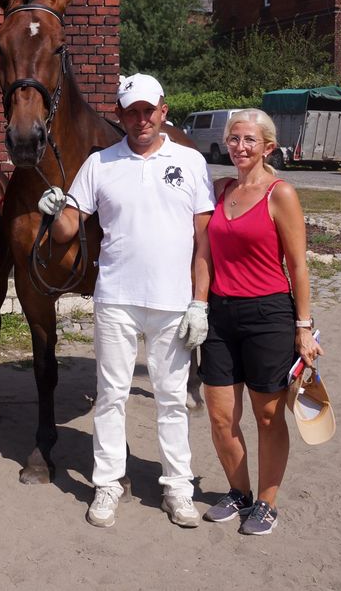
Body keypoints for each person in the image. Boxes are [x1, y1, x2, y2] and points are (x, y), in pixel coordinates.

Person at [38, 73, 214, 530]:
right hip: (116, 297)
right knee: (111, 395)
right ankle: (108, 483)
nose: (141, 120)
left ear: (163, 111)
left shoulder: (191, 162)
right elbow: (67, 230)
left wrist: (200, 302)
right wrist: (56, 210)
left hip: (173, 301)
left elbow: (203, 242)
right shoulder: (100, 164)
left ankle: (177, 486)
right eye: (131, 112)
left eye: (148, 111)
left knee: (172, 398)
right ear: (120, 115)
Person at [199, 108, 322, 536]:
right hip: (219, 314)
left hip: (268, 314)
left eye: (249, 140)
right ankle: (239, 492)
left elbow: (298, 265)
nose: (240, 146)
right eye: (234, 138)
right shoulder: (220, 189)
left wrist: (302, 326)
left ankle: (267, 501)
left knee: (268, 416)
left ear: (268, 146)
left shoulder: (280, 193)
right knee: (219, 417)